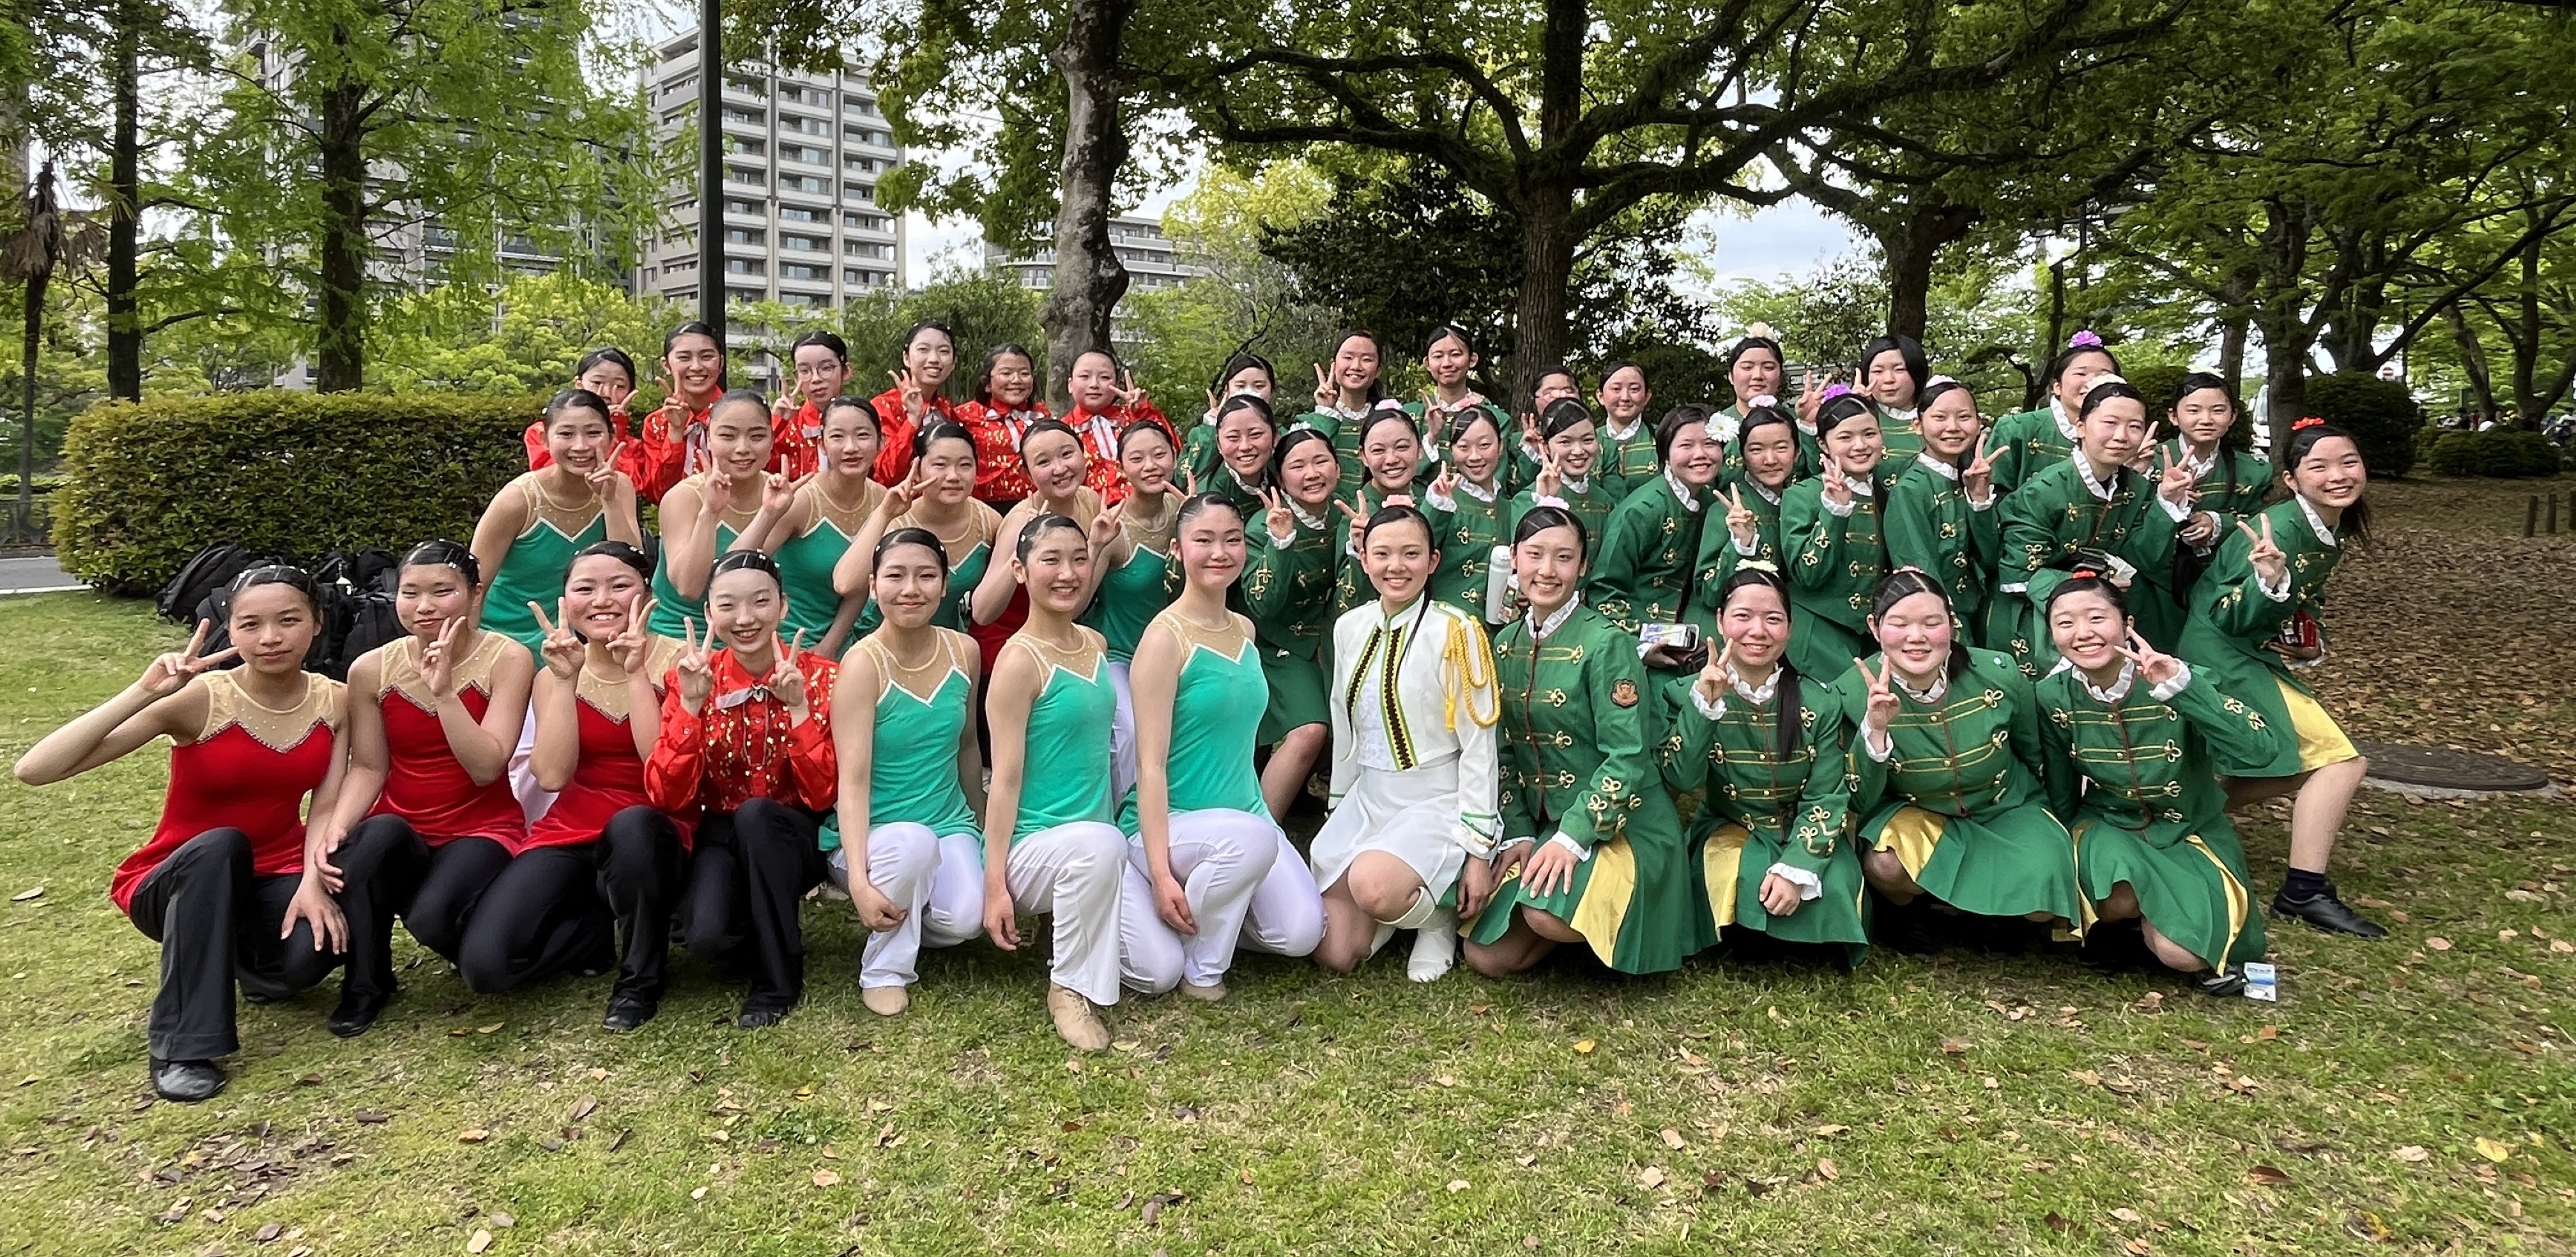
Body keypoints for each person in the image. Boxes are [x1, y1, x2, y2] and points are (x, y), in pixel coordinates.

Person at [14, 567, 400, 1101]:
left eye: (289, 621)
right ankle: (182, 1046)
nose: (270, 638)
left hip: (275, 874)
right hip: (177, 879)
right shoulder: (203, 699)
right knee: (223, 844)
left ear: (317, 623)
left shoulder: (332, 700)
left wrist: (313, 883)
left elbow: (327, 804)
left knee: (307, 961)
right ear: (230, 629)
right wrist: (143, 692)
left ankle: (236, 962)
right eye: (251, 624)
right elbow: (35, 770)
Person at [1465, 508, 1696, 977]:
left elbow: (1627, 758)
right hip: (1548, 824)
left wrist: (1572, 838)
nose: (1547, 571)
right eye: (1535, 555)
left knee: (1543, 916)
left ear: (1584, 566)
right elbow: (1503, 753)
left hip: (1626, 823)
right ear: (1514, 559)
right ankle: (1579, 910)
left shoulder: (1607, 643)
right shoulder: (1504, 643)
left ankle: (1617, 919)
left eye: (1564, 557)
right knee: (1487, 956)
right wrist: (1521, 832)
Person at [2175, 418, 2383, 938]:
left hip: (2251, 652)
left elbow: (2308, 598)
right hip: (2222, 653)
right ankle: (2303, 890)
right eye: (2320, 467)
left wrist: (2311, 639)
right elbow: (2227, 613)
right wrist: (2271, 583)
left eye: (2349, 462)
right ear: (2291, 479)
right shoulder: (2281, 527)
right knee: (2340, 762)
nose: (2338, 476)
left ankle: (2184, 816)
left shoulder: (2328, 524)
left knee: (2296, 763)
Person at [316, 542, 534, 1032]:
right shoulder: (370, 669)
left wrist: (444, 693)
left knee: (432, 918)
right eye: (410, 593)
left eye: (442, 592)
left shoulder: (507, 658)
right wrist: (338, 827)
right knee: (367, 846)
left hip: (482, 825)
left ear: (475, 595)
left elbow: (487, 767)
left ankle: (495, 935)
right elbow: (368, 767)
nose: (424, 606)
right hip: (403, 822)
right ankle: (366, 984)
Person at [980, 515, 1172, 1050]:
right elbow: (1004, 781)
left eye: (1079, 559)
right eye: (1051, 560)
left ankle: (1062, 924)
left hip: (1094, 848)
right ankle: (1069, 989)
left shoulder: (1094, 643)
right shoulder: (1018, 662)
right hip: (1033, 850)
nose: (1067, 573)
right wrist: (995, 886)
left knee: (1158, 971)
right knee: (1100, 843)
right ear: (1020, 571)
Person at [1124, 494, 1327, 996]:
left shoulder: (1244, 629)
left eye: (1232, 540)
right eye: (1204, 540)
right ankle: (1201, 966)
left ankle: (1211, 913)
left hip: (1245, 817)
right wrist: (1160, 871)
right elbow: (1149, 766)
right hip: (1174, 822)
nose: (1220, 552)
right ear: (1177, 550)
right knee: (1250, 841)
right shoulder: (1165, 639)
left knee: (1301, 933)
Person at [633, 551, 839, 1029]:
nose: (745, 619)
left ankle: (778, 979)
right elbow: (666, 796)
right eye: (728, 606)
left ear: (783, 606)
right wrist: (690, 706)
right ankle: (748, 917)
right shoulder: (691, 679)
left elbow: (823, 796)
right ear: (709, 613)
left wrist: (799, 710)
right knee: (707, 938)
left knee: (758, 817)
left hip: (796, 831)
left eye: (760, 602)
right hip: (724, 828)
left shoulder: (825, 678)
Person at [2036, 574, 2270, 992]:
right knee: (2113, 895)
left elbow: (2259, 751)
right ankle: (2117, 925)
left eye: (2096, 618)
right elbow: (2060, 784)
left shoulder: (2182, 678)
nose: (2083, 633)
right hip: (2109, 827)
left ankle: (2155, 926)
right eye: (2065, 623)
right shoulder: (2051, 696)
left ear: (2127, 625)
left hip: (2189, 831)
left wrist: (2182, 689)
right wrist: (2061, 855)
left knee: (2185, 956)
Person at [1837, 570, 2082, 948]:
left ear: (1952, 623)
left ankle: (1996, 916)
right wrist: (1876, 728)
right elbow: (1859, 799)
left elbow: (2034, 751)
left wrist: (2053, 820)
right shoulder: (1849, 692)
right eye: (1899, 624)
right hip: (1917, 813)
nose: (1916, 637)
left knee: (2046, 892)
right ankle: (1905, 912)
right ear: (1874, 626)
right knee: (1886, 864)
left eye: (1931, 623)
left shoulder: (1998, 671)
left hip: (2005, 806)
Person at [1311, 505, 1501, 981]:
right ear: (1363, 559)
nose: (1396, 566)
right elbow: (1345, 725)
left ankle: (1436, 920)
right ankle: (1398, 908)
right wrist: (1340, 805)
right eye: (1382, 554)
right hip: (1370, 798)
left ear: (1433, 561)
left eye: (1411, 554)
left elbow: (1479, 745)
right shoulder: (1349, 627)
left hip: (1436, 800)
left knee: (1372, 885)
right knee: (1336, 952)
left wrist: (1479, 849)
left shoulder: (1456, 631)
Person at [1654, 565, 1868, 964]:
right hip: (1731, 826)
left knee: (1835, 882)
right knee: (1738, 872)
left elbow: (1827, 794)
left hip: (1802, 828)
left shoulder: (1821, 701)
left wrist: (1798, 866)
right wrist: (1704, 707)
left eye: (1773, 619)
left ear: (1789, 628)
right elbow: (1681, 777)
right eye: (1743, 616)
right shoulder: (1683, 694)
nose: (1758, 631)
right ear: (1720, 621)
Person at [508, 544, 682, 1018]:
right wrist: (565, 681)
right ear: (566, 601)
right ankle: (591, 930)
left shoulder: (680, 660)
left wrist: (636, 673)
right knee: (489, 964)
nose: (602, 600)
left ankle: (640, 979)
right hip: (576, 823)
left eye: (619, 586)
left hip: (657, 821)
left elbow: (661, 766)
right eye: (585, 589)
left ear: (647, 594)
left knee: (632, 826)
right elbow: (552, 776)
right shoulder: (553, 674)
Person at [823, 528, 988, 1015]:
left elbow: (968, 746)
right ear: (874, 586)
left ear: (945, 585)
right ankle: (884, 970)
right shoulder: (862, 664)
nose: (911, 589)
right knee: (913, 845)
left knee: (967, 920)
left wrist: (983, 827)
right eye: (895, 576)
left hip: (949, 822)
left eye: (926, 576)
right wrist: (858, 880)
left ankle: (906, 914)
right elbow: (852, 780)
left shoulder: (965, 651)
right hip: (877, 834)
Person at [1993, 376, 2195, 676]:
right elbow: (2020, 574)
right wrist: (2094, 585)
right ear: (2081, 427)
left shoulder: (2136, 487)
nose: (2122, 436)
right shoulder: (2043, 492)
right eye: (2110, 423)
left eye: (2134, 426)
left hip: (2109, 602)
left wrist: (2166, 501)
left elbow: (2146, 557)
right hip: (2038, 606)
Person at [473, 388, 643, 657]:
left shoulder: (619, 486)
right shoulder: (518, 499)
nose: (581, 446)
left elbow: (632, 567)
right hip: (505, 638)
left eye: (593, 433)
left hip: (580, 636)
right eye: (566, 434)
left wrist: (610, 501)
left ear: (612, 437)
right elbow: (474, 586)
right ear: (544, 438)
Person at [1241, 426, 1344, 822]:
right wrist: (1280, 544)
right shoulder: (1262, 526)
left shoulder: (1348, 516)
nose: (1312, 473)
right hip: (1278, 645)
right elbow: (1261, 603)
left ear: (1338, 468)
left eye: (1321, 461)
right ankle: (1261, 829)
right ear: (1281, 479)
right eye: (1298, 466)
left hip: (1333, 643)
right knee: (1310, 729)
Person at [733, 396, 884, 655]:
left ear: (881, 442)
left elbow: (860, 585)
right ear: (822, 445)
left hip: (853, 641)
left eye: (862, 436)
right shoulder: (804, 501)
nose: (850, 448)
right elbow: (735, 564)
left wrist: (830, 646)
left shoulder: (882, 501)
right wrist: (769, 513)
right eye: (837, 437)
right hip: (789, 642)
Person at [1084, 420, 1186, 797]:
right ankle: (1127, 816)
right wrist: (1095, 546)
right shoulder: (1114, 527)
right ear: (1121, 466)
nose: (1151, 466)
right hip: (1122, 656)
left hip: (1180, 655)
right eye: (1138, 458)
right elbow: (1076, 604)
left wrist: (1197, 528)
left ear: (1175, 456)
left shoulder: (1187, 512)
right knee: (1130, 733)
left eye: (1160, 454)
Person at [2135, 372, 2271, 648]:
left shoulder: (2253, 471)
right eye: (2194, 410)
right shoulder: (2146, 460)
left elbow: (2263, 524)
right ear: (2174, 416)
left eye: (2218, 410)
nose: (2206, 419)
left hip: (2218, 580)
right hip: (2152, 582)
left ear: (2233, 417)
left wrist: (2217, 522)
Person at [831, 422, 1004, 636]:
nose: (953, 476)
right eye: (940, 465)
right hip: (882, 639)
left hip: (948, 641)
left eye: (965, 465)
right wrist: (884, 514)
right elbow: (845, 584)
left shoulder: (987, 522)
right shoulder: (897, 521)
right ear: (917, 470)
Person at [971, 419, 1106, 676]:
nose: (1060, 469)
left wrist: (1096, 546)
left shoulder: (1090, 501)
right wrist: (1025, 545)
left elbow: (1075, 604)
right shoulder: (1020, 521)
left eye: (1067, 454)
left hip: (1064, 629)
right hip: (1011, 641)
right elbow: (982, 612)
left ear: (1083, 453)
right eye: (1044, 462)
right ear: (1027, 473)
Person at [1590, 403, 1724, 645]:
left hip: (1696, 628)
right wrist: (1642, 644)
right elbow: (1604, 590)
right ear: (1666, 455)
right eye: (1686, 445)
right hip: (1641, 631)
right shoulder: (1643, 510)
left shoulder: (1714, 502)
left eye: (1710, 444)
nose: (1700, 454)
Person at [647, 390, 776, 639]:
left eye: (757, 436)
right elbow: (689, 588)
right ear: (709, 439)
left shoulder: (780, 495)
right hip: (681, 634)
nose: (743, 448)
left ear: (772, 440)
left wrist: (770, 513)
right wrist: (709, 512)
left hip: (754, 635)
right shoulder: (684, 497)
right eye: (728, 436)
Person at [1779, 393, 1889, 679]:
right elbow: (1807, 574)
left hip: (1872, 633)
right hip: (1816, 629)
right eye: (1845, 437)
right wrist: (1834, 512)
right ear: (1823, 445)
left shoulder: (1887, 494)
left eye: (1869, 434)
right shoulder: (1802, 495)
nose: (1860, 446)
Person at [1882, 377, 2000, 630]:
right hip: (1940, 621)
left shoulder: (1969, 476)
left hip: (1977, 613)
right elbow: (1919, 571)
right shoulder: (1910, 490)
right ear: (1918, 425)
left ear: (1979, 423)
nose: (1953, 427)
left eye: (1964, 417)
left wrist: (1980, 500)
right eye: (1940, 418)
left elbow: (1990, 559)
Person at [1331, 405, 1450, 616]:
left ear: (1420, 449)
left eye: (1402, 447)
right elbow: (1347, 603)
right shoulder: (1356, 515)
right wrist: (1360, 548)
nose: (1392, 459)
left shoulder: (1436, 499)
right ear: (1363, 456)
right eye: (1378, 450)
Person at [1691, 402, 1800, 619]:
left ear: (1797, 453)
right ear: (1742, 455)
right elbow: (1709, 592)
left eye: (1781, 448)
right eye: (1756, 450)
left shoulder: (1800, 501)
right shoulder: (1726, 509)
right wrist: (1741, 544)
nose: (1770, 460)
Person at [1988, 332, 2120, 496]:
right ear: (2057, 386)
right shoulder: (2015, 429)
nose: (2092, 382)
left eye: (2104, 375)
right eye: (2081, 374)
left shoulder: (2126, 435)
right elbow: (1993, 495)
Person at [1423, 402, 1513, 623]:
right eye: (1463, 447)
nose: (1474, 456)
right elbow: (1419, 547)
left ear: (1501, 446)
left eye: (1484, 445)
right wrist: (1437, 507)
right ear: (1452, 450)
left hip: (1497, 627)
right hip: (1449, 625)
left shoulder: (1509, 506)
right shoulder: (1442, 500)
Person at [1508, 398, 1618, 561]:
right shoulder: (1527, 500)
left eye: (1588, 440)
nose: (1578, 451)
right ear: (1545, 446)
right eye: (1566, 442)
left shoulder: (1605, 501)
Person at [1061, 349, 1175, 501]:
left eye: (1104, 377)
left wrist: (1143, 412)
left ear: (1117, 384)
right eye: (1085, 377)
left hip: (1144, 506)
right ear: (1070, 385)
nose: (1094, 385)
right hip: (1088, 510)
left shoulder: (1135, 417)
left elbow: (1171, 448)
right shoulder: (1061, 431)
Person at [636, 323, 728, 503]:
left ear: (721, 363)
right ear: (666, 365)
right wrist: (676, 432)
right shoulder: (656, 422)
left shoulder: (740, 415)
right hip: (677, 516)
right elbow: (658, 493)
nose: (696, 367)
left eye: (707, 357)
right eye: (684, 358)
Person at [523, 347, 646, 484]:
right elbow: (548, 475)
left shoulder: (632, 444)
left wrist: (615, 431)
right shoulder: (543, 431)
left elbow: (632, 484)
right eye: (597, 383)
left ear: (631, 393)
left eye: (619, 386)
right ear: (579, 384)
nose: (606, 393)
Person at [954, 343, 1050, 508]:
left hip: (1036, 504)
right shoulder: (964, 416)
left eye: (1024, 374)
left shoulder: (1042, 415)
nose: (1016, 380)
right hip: (981, 507)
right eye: (1006, 373)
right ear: (987, 384)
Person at [867, 321, 961, 485]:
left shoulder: (946, 410)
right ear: (907, 358)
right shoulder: (883, 406)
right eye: (923, 350)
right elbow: (886, 475)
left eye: (944, 351)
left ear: (953, 363)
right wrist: (912, 421)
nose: (934, 359)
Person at [1299, 331, 1388, 496]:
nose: (1356, 366)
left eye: (1367, 359)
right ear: (1334, 365)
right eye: (1348, 357)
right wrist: (1325, 411)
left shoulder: (1389, 420)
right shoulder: (1310, 421)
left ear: (1378, 371)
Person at [1185, 351, 1276, 485]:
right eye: (1240, 386)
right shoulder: (1201, 433)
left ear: (1272, 390)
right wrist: (1211, 428)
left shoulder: (1285, 433)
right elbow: (1185, 477)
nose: (1249, 392)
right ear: (1227, 390)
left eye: (1259, 386)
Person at [772, 330, 852, 478]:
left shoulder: (863, 419)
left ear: (846, 371)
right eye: (805, 371)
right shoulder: (789, 425)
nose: (816, 379)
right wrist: (776, 424)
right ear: (796, 378)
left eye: (826, 368)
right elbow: (762, 469)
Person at [1712, 327, 1789, 466]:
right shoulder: (1714, 426)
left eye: (1768, 368)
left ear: (1780, 377)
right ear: (1731, 376)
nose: (1758, 376)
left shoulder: (1797, 422)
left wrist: (1808, 425)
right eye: (1747, 367)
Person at [1202, 392, 1280, 514]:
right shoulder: (1208, 498)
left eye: (1255, 434)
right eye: (1233, 437)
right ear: (1219, 444)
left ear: (1275, 437)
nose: (1245, 447)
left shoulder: (1285, 470)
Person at [1857, 333, 1930, 463]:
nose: (1889, 379)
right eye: (1878, 371)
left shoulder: (1936, 418)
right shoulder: (1854, 418)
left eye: (1899, 370)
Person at [1592, 362, 1659, 501]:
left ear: (1647, 396)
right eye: (1616, 389)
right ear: (1601, 396)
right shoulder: (1587, 441)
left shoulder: (1664, 437)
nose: (1625, 398)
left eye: (1634, 389)